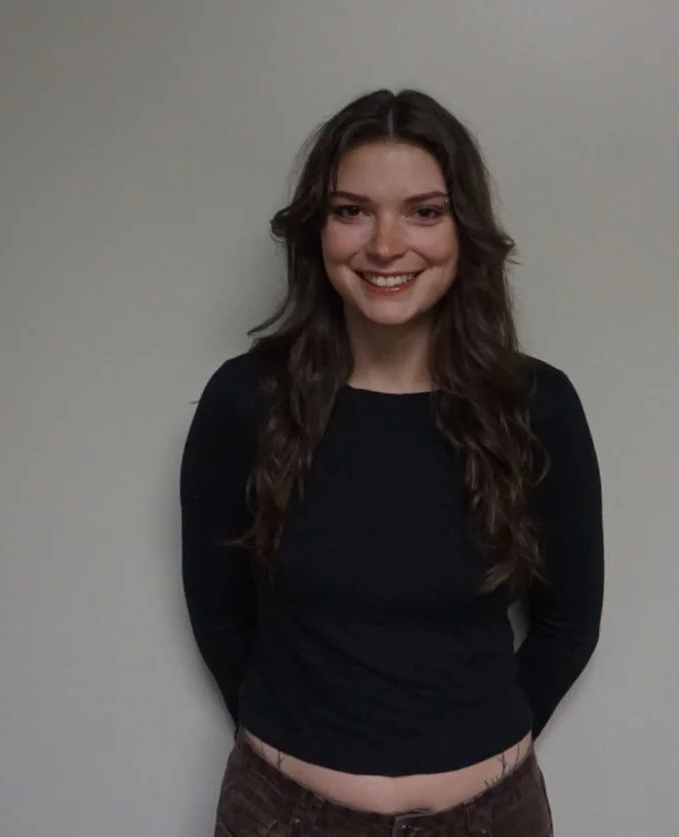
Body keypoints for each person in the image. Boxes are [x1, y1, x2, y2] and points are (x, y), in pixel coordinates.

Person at [181, 88, 603, 837]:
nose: (384, 246)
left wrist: (476, 753)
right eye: (351, 210)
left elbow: (568, 624)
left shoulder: (537, 407)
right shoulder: (246, 401)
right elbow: (221, 616)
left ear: (464, 229)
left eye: (423, 212)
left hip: (490, 819)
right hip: (282, 816)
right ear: (316, 230)